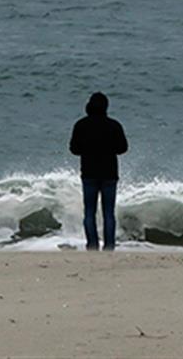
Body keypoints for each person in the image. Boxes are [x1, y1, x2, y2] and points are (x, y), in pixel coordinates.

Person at [69, 92, 128, 251]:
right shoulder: (114, 125)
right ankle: (109, 245)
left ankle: (92, 244)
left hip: (89, 172)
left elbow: (74, 149)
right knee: (109, 212)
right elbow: (123, 148)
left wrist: (87, 149)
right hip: (109, 173)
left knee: (89, 212)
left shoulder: (81, 125)